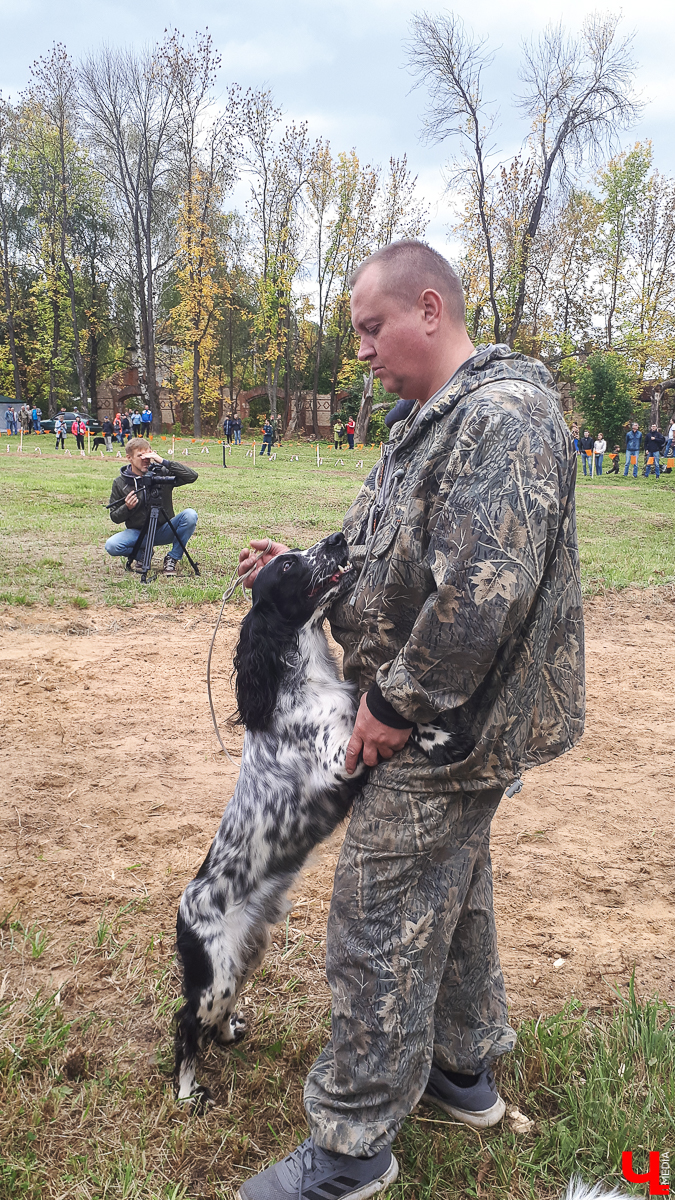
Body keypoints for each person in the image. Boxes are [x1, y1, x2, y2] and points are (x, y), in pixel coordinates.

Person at [235, 239, 584, 1200]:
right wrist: (297, 563)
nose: (359, 350)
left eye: (369, 327)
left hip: (446, 727)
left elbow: (481, 593)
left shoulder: (503, 419)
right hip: (434, 717)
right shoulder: (425, 423)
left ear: (429, 310)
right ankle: (459, 1072)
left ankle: (351, 1151)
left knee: (376, 917)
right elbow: (380, 545)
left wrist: (393, 704)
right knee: (452, 889)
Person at [105, 438, 198, 576]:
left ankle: (172, 557)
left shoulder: (161, 473)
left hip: (164, 529)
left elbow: (192, 476)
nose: (146, 460)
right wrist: (127, 507)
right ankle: (143, 555)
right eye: (140, 456)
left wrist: (163, 461)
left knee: (190, 515)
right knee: (112, 545)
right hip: (138, 533)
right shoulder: (120, 482)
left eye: (148, 455)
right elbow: (114, 517)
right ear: (129, 458)